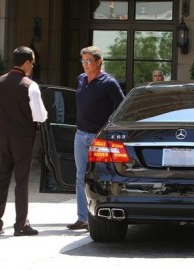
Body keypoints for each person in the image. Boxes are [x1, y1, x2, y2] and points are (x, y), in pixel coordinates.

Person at [0, 46, 48, 236]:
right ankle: (21, 224)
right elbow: (40, 116)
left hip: (2, 136)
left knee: (0, 177)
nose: (32, 66)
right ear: (27, 62)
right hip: (22, 137)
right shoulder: (30, 85)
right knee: (21, 179)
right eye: (33, 62)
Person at [67, 46, 125, 230]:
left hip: (98, 138)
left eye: (89, 61)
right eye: (83, 61)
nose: (85, 65)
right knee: (79, 176)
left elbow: (121, 108)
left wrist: (110, 130)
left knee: (99, 177)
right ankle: (82, 218)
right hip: (80, 135)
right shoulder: (81, 79)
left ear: (99, 62)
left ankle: (98, 217)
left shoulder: (109, 83)